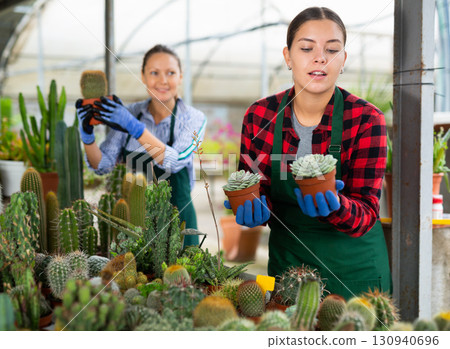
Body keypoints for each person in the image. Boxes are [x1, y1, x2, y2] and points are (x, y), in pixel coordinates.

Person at [225, 7, 391, 299]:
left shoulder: (367, 119)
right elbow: (256, 188)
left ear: (343, 60)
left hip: (355, 272)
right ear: (288, 57)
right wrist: (253, 209)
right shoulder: (259, 117)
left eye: (332, 49)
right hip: (290, 266)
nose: (320, 58)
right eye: (306, 48)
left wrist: (336, 206)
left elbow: (367, 212)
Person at [77, 44, 207, 246]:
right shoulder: (128, 113)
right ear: (143, 76)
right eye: (154, 73)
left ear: (181, 76)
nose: (163, 80)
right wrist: (87, 136)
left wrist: (134, 128)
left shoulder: (193, 118)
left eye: (171, 73)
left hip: (179, 222)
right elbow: (102, 165)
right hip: (135, 224)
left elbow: (175, 161)